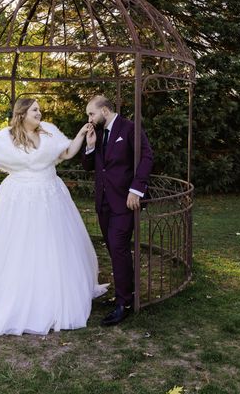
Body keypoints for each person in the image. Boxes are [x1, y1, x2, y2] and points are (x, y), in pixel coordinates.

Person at [0, 98, 108, 336]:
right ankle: (14, 296)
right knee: (18, 245)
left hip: (51, 195)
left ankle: (53, 295)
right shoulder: (5, 137)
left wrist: (82, 134)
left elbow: (68, 152)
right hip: (19, 197)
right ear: (22, 114)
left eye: (39, 109)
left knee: (53, 245)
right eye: (35, 110)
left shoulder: (49, 131)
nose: (40, 113)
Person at [82, 95, 154, 326]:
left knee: (118, 246)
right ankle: (127, 291)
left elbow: (146, 156)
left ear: (104, 110)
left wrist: (136, 189)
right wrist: (90, 146)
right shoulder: (99, 133)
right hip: (104, 202)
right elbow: (88, 167)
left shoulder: (130, 128)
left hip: (124, 202)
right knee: (116, 250)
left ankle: (124, 303)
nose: (89, 119)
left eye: (91, 114)